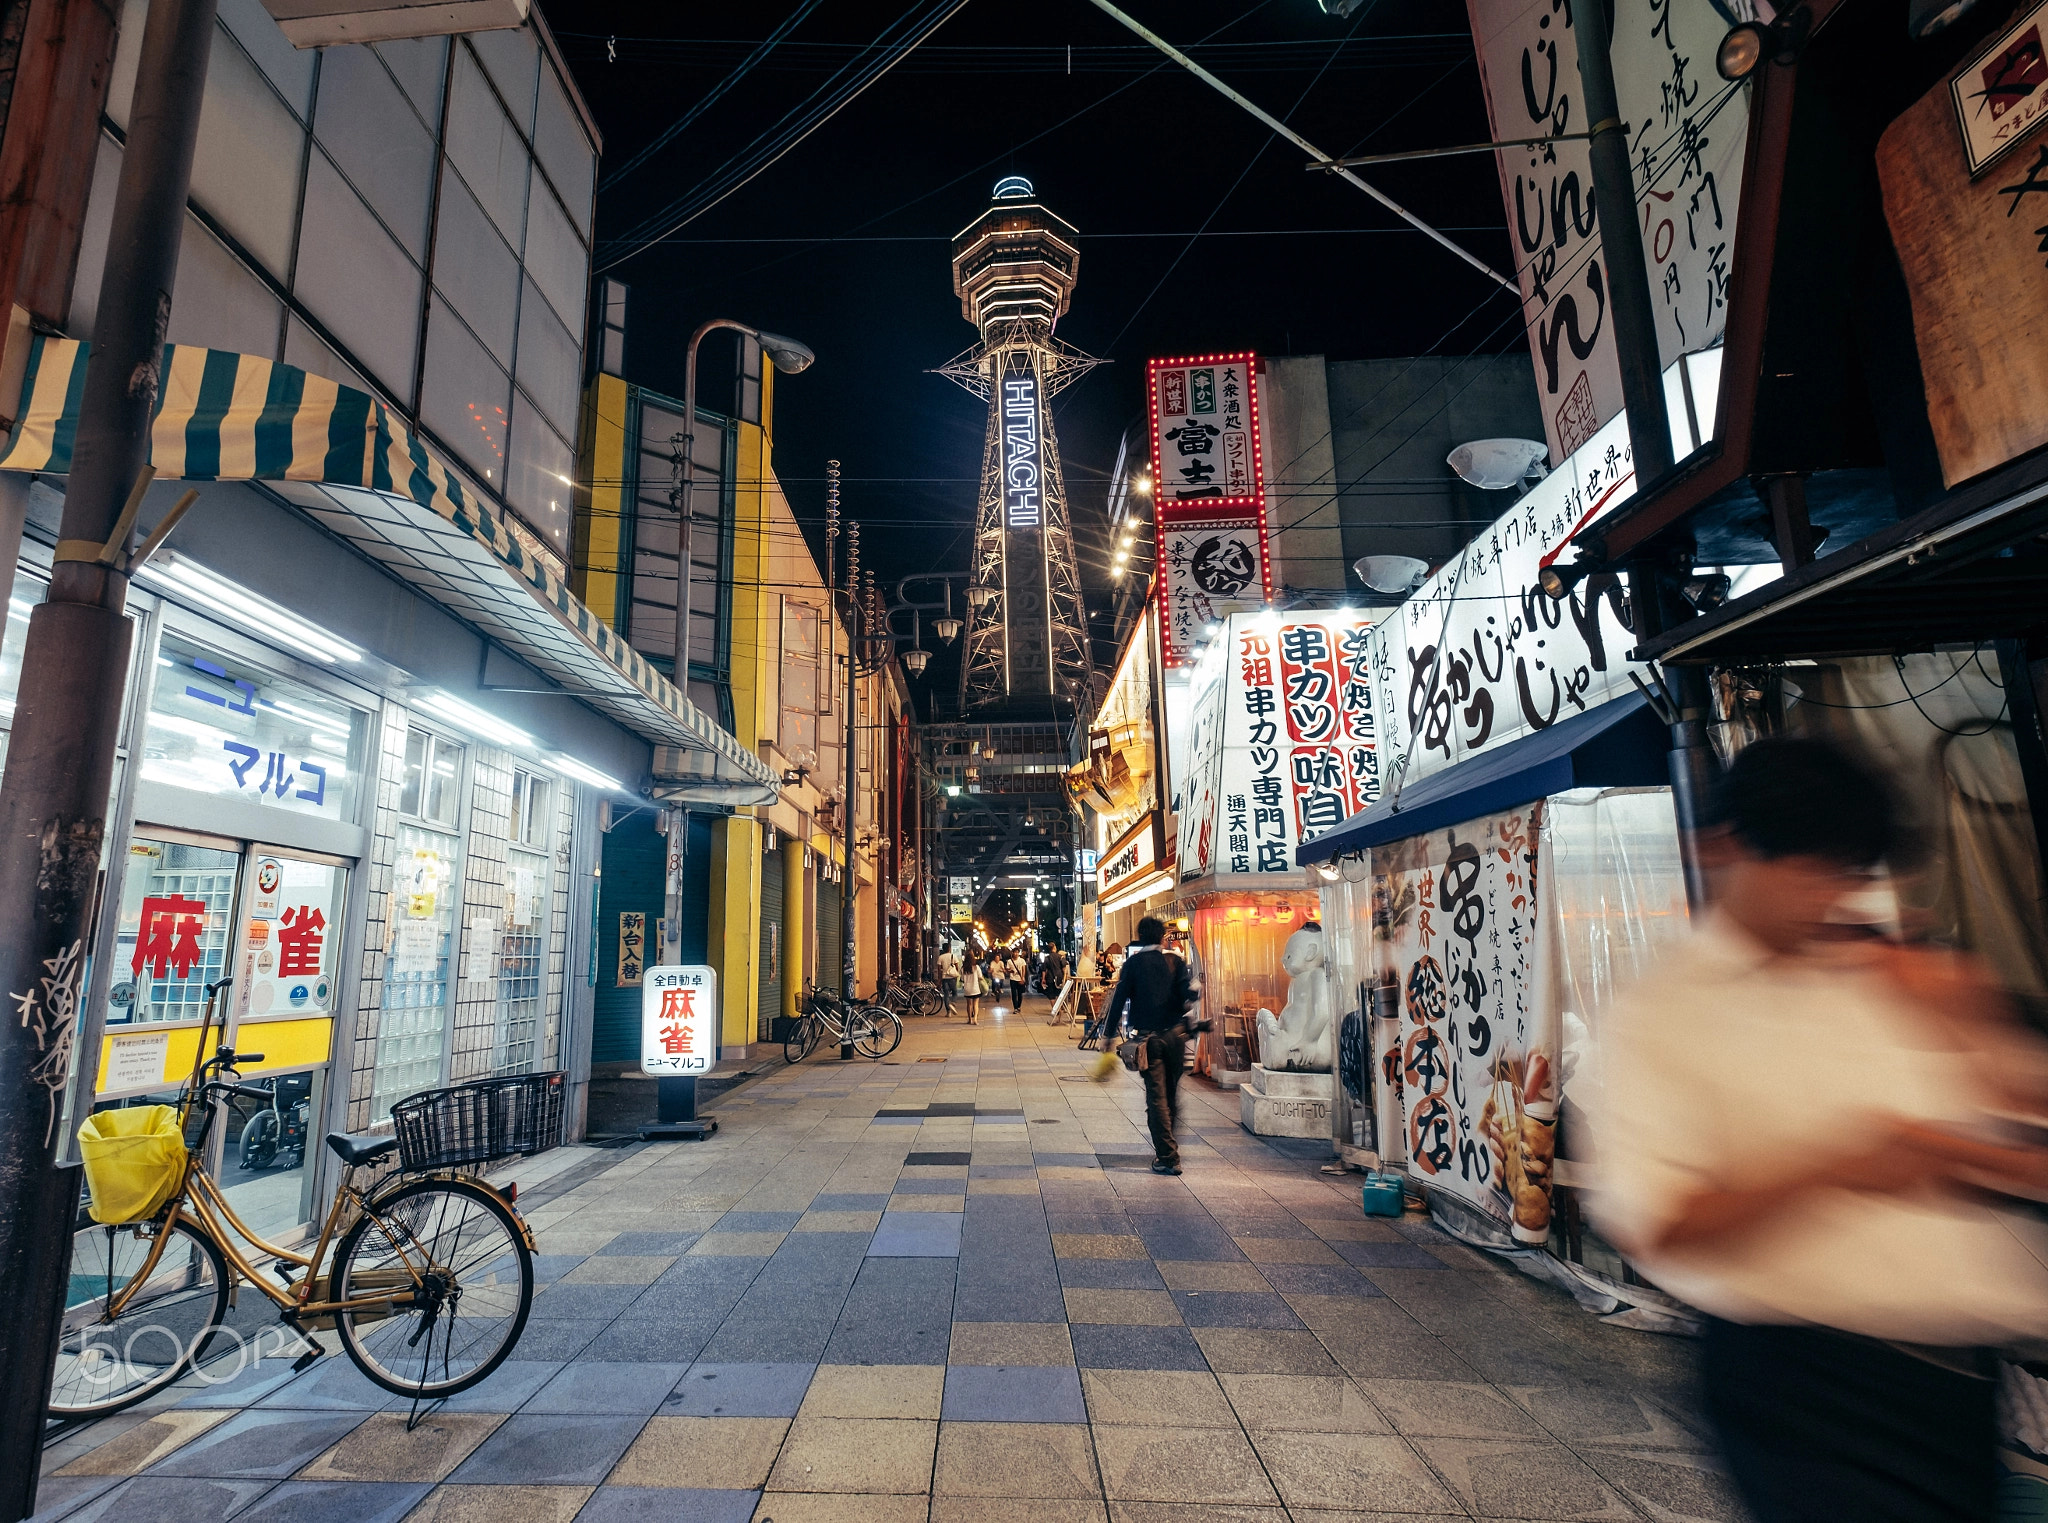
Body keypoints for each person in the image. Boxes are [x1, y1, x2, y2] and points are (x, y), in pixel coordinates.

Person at [1590, 736, 2048, 1522]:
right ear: (1726, 848)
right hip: (1803, 1384)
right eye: (1810, 870)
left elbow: (2025, 1140)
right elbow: (1659, 1222)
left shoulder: (1896, 971)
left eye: (1847, 872)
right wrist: (1841, 1168)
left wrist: (1963, 1015)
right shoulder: (1663, 1014)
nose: (1831, 897)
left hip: (1961, 1381)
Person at [1102, 915, 1197, 1174]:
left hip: (1150, 1040)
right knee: (1171, 1094)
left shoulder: (1133, 964)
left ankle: (1167, 1157)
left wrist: (1108, 1035)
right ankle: (1169, 1145)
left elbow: (1118, 999)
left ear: (1140, 936)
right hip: (1176, 1038)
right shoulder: (1175, 961)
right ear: (1161, 937)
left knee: (1156, 1098)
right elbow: (1188, 995)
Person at [936, 944, 959, 1015]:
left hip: (944, 978)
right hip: (952, 978)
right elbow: (957, 967)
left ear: (943, 949)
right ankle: (953, 1003)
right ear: (949, 948)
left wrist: (939, 980)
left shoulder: (940, 957)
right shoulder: (953, 956)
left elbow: (939, 970)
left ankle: (948, 1012)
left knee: (946, 994)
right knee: (954, 992)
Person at [960, 952, 982, 1026]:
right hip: (975, 988)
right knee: (976, 1004)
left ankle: (970, 1019)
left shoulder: (963, 968)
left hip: (967, 989)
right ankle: (975, 1019)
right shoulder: (976, 967)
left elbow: (962, 979)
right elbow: (980, 977)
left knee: (969, 1004)